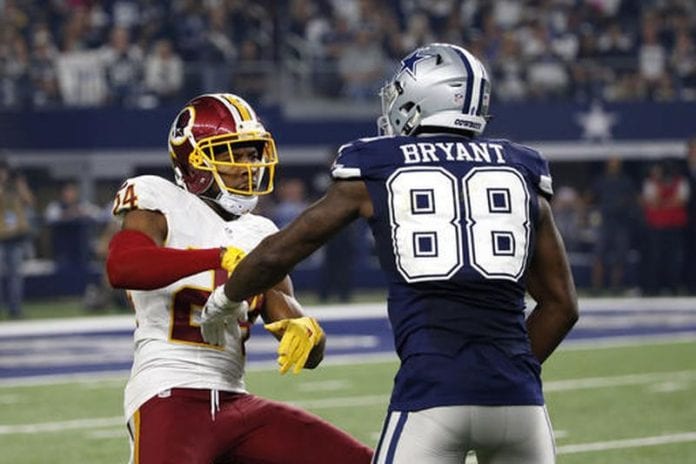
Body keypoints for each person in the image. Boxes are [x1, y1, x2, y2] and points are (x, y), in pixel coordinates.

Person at [203, 44, 579, 463]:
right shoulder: (523, 171)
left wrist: (223, 300)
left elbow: (277, 256)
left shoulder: (379, 164)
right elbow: (562, 306)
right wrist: (506, 370)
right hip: (521, 403)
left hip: (433, 396)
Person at [105, 93, 372, 464]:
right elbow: (123, 266)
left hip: (234, 399)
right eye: (233, 155)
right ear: (194, 161)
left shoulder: (258, 231)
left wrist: (305, 332)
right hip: (168, 392)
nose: (248, 167)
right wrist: (219, 258)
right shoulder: (159, 199)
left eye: (252, 155)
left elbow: (284, 310)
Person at [0, 160, 34, 318]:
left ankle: (15, 309)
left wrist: (21, 183)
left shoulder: (14, 188)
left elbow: (29, 201)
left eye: (4, 171)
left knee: (15, 276)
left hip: (15, 237)